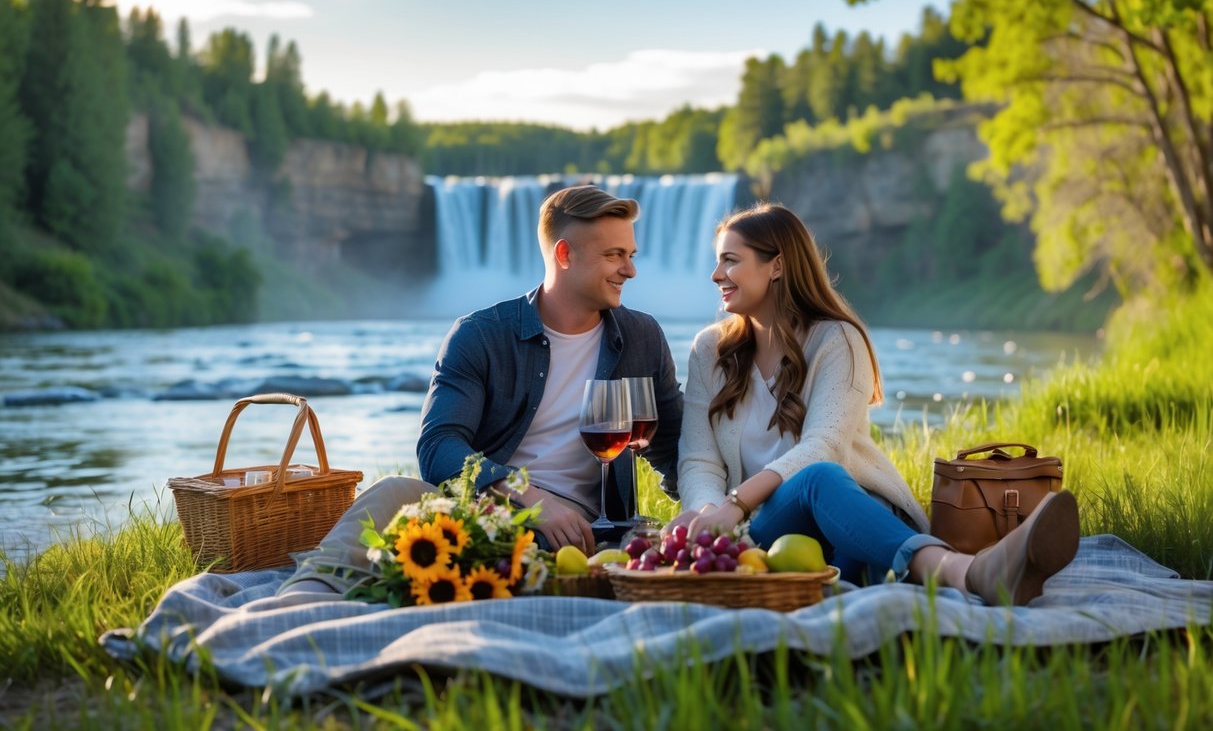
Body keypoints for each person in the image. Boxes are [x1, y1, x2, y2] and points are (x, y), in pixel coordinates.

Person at [279, 185, 683, 596]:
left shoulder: (641, 336)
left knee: (488, 556)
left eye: (630, 255)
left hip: (575, 528)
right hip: (482, 501)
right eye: (614, 255)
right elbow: (438, 446)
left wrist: (722, 508)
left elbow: (675, 445)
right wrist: (529, 496)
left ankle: (394, 583)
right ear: (564, 255)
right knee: (391, 493)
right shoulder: (481, 335)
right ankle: (303, 597)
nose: (629, 270)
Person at [666, 203, 1079, 605]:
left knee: (821, 482)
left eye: (730, 261)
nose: (716, 274)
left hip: (843, 514)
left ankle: (965, 571)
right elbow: (699, 459)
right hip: (764, 530)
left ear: (776, 266)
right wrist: (708, 518)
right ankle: (968, 572)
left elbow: (822, 446)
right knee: (839, 537)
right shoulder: (710, 351)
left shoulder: (836, 340)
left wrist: (736, 503)